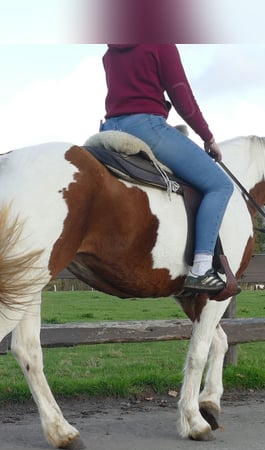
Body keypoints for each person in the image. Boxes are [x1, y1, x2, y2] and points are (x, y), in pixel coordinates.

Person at [99, 44, 235, 295]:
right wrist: (208, 137)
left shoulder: (110, 51)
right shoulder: (160, 43)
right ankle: (202, 268)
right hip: (146, 126)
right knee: (220, 185)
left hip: (110, 127)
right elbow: (182, 96)